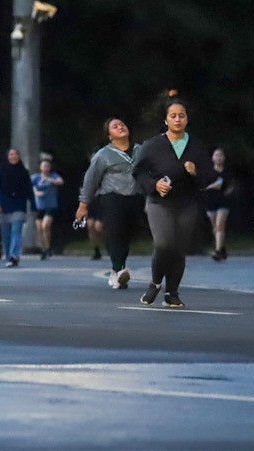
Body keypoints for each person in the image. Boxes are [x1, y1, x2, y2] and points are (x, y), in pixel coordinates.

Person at [133, 98, 216, 308]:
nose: (177, 119)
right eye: (173, 116)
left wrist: (195, 172)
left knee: (178, 249)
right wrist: (155, 184)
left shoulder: (196, 146)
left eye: (181, 115)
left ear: (187, 119)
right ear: (166, 119)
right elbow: (138, 172)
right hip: (159, 203)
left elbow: (208, 177)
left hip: (187, 204)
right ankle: (154, 284)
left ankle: (172, 293)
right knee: (164, 245)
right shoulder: (153, 145)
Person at [76, 118, 144, 290]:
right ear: (109, 136)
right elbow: (90, 180)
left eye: (122, 124)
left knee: (126, 235)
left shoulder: (140, 150)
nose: (120, 127)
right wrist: (83, 204)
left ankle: (116, 271)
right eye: (115, 126)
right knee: (115, 231)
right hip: (112, 198)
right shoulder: (103, 155)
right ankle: (120, 270)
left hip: (134, 197)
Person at [0, 148, 32, 268]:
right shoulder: (1, 171)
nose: (14, 156)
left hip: (19, 204)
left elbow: (29, 189)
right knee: (6, 234)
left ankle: (14, 256)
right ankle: (8, 254)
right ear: (7, 156)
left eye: (16, 154)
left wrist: (34, 204)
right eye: (11, 154)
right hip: (4, 204)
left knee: (16, 231)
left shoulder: (24, 171)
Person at [203, 147, 233, 261]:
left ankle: (218, 252)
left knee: (220, 225)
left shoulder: (228, 172)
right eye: (216, 155)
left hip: (223, 202)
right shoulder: (208, 172)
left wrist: (226, 190)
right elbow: (202, 187)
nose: (219, 157)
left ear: (224, 158)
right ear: (213, 158)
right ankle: (221, 247)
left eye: (221, 155)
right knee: (215, 228)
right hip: (210, 201)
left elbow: (232, 186)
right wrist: (212, 186)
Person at [32, 159, 64, 260]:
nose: (46, 168)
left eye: (47, 166)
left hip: (50, 205)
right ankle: (44, 248)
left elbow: (60, 182)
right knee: (39, 229)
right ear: (40, 167)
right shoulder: (36, 177)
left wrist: (49, 180)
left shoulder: (53, 176)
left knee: (45, 226)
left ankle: (48, 246)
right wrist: (36, 192)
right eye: (44, 166)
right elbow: (30, 186)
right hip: (39, 205)